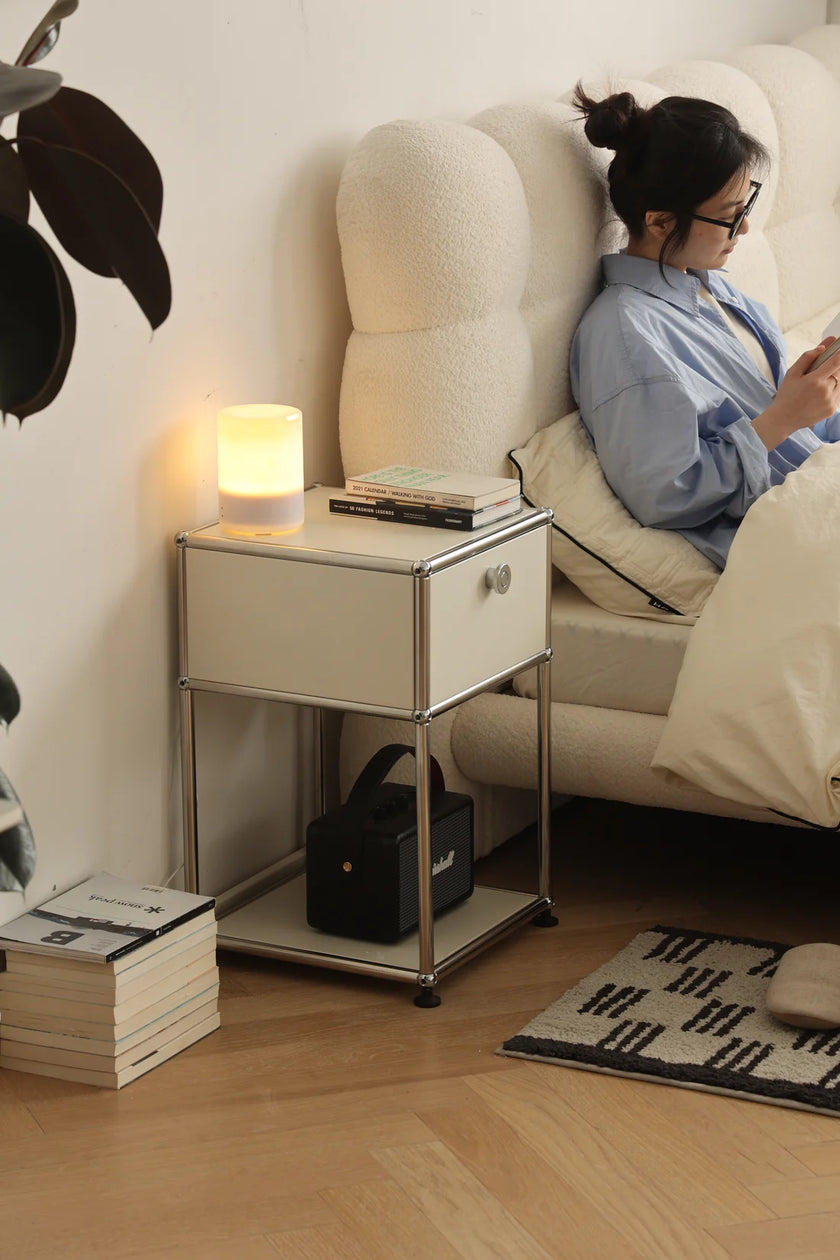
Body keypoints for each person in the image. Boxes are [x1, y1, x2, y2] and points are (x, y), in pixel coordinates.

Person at [569, 87, 840, 568]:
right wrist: (782, 419)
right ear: (659, 222)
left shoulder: (714, 291)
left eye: (745, 209)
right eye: (729, 219)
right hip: (791, 532)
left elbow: (806, 430)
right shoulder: (624, 335)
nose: (746, 232)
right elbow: (665, 494)